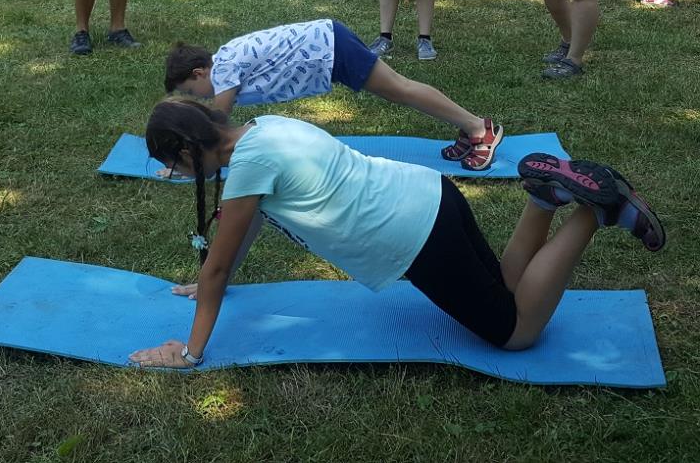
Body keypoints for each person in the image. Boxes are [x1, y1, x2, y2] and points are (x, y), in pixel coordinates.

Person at [126, 101, 663, 369]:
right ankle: (543, 197)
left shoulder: (245, 170)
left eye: (174, 165)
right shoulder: (267, 126)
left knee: (516, 333)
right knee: (501, 287)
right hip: (433, 195)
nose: (178, 174)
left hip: (415, 237)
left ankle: (595, 210)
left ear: (186, 151)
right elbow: (242, 236)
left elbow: (217, 264)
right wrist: (207, 281)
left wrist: (191, 351)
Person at [164, 19, 503, 169]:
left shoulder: (223, 69)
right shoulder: (225, 61)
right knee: (401, 89)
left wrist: (185, 159)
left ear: (199, 72)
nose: (202, 98)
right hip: (327, 45)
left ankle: (478, 128)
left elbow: (216, 124)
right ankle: (470, 126)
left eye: (193, 91)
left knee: (401, 89)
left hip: (329, 50)